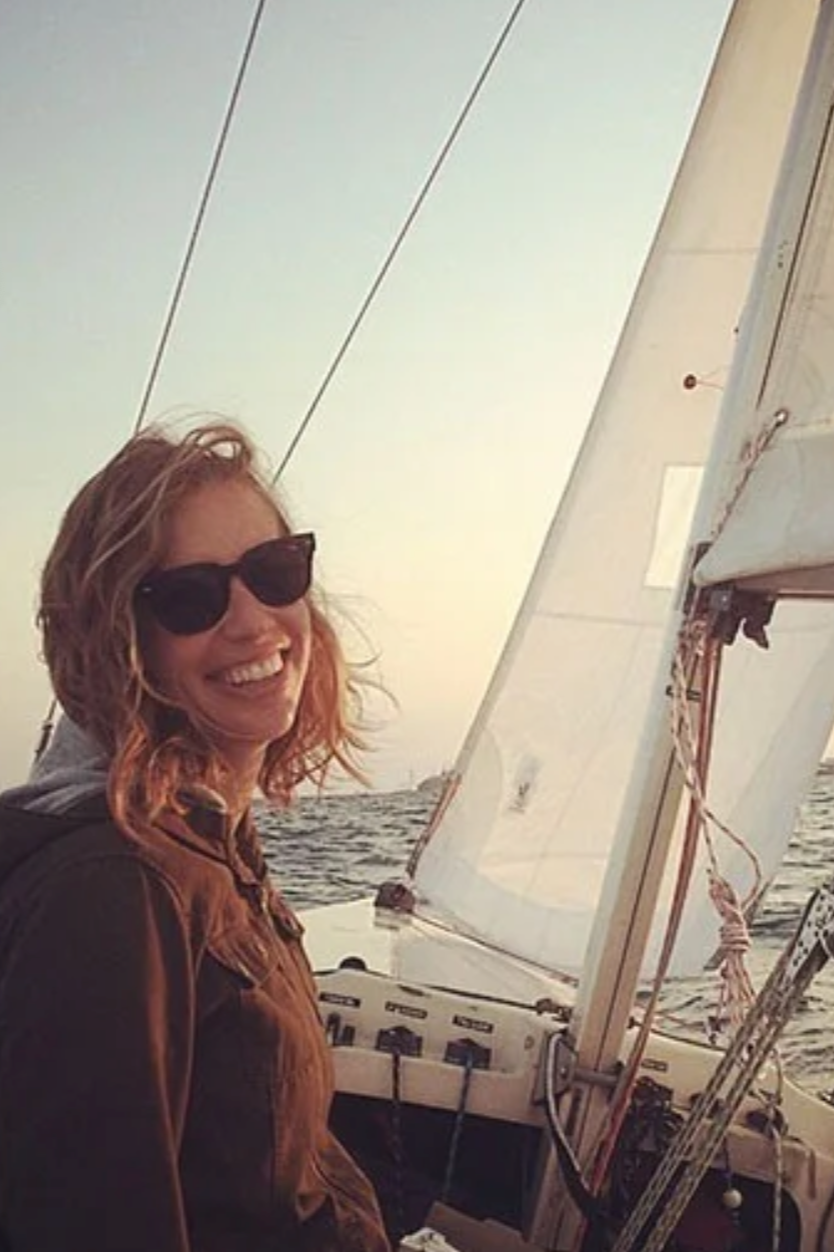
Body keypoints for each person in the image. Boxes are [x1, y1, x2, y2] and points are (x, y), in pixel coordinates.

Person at [0, 421, 391, 1252]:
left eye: (273, 572)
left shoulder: (208, 842)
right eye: (190, 598)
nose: (252, 621)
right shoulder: (113, 891)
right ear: (117, 642)